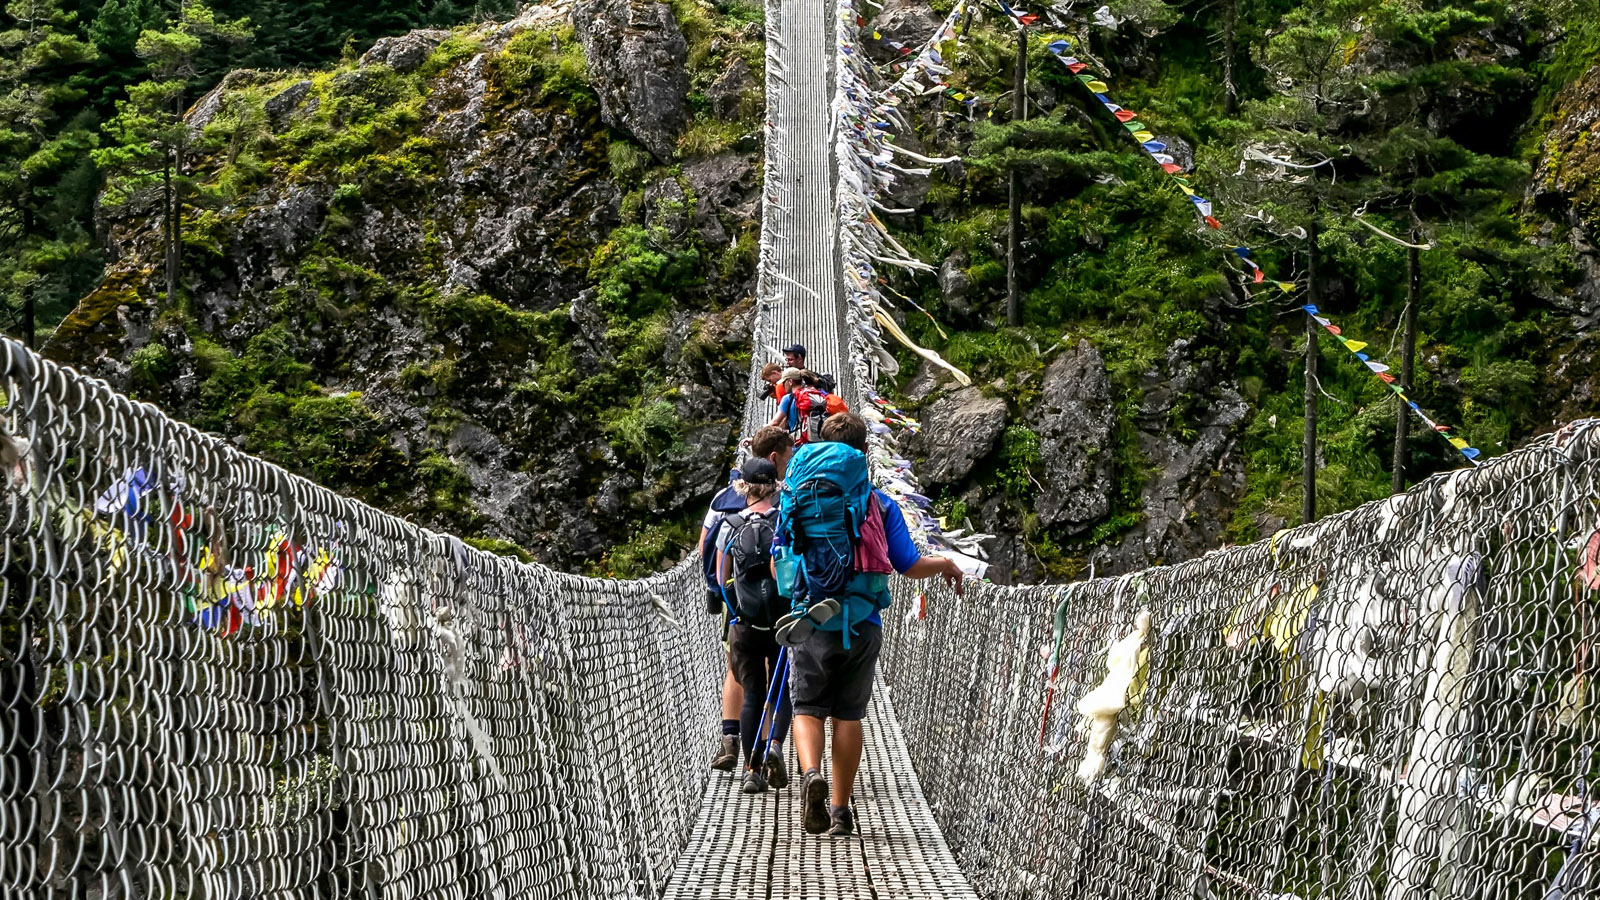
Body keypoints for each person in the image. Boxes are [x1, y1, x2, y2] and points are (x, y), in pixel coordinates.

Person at [781, 413, 965, 836]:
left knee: (807, 708)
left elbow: (782, 561)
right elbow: (908, 564)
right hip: (863, 621)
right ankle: (841, 810)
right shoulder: (880, 503)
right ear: (865, 453)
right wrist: (946, 563)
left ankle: (811, 775)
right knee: (849, 715)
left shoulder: (798, 494)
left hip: (811, 619)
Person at [704, 426, 796, 770]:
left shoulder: (728, 521)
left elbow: (717, 573)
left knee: (751, 690)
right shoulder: (784, 518)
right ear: (775, 484)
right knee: (782, 686)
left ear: (742, 485)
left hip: (744, 619)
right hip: (783, 618)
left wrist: (730, 605)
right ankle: (774, 745)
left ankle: (750, 767)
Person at [767, 368, 831, 444]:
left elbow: (775, 422)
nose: (783, 386)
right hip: (820, 439)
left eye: (784, 382)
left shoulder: (788, 398)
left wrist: (758, 435)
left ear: (790, 382)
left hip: (800, 441)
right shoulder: (814, 393)